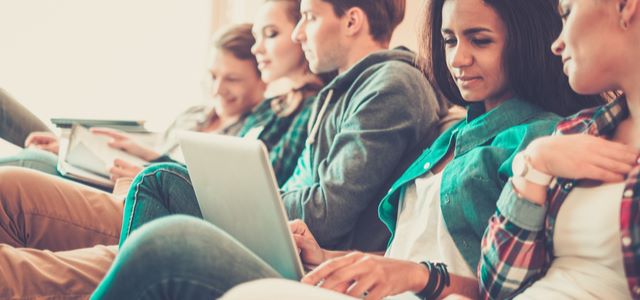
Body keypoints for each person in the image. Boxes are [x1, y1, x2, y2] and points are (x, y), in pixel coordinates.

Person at [90, 0, 603, 299]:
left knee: (167, 242)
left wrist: (420, 276)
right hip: (363, 284)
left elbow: (508, 281)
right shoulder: (453, 136)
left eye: (480, 40)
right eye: (448, 40)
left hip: (410, 292)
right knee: (159, 196)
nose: (459, 58)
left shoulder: (538, 138)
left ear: (526, 41)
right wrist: (331, 256)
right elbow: (403, 249)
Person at [0, 20, 314, 299]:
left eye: (271, 34)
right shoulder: (204, 115)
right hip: (145, 186)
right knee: (13, 181)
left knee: (27, 174)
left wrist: (149, 166)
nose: (218, 89)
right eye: (213, 76)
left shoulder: (284, 115)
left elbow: (263, 196)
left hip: (165, 201)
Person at [113, 0, 445, 253]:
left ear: (351, 21)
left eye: (310, 18)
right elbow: (297, 185)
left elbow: (326, 215)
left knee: (158, 182)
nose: (299, 34)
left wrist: (238, 197)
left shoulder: (392, 86)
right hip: (290, 238)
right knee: (158, 186)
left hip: (315, 255)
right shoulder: (342, 91)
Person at [479, 0, 640, 299]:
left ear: (624, 5)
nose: (556, 44)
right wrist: (534, 165)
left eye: (567, 12)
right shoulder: (574, 131)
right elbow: (495, 288)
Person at [0, 23, 267, 182]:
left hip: (138, 188)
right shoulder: (193, 114)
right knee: (38, 150)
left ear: (262, 78)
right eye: (213, 76)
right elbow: (149, 155)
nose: (218, 89)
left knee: (30, 164)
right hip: (111, 173)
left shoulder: (253, 135)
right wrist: (68, 151)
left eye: (232, 79)